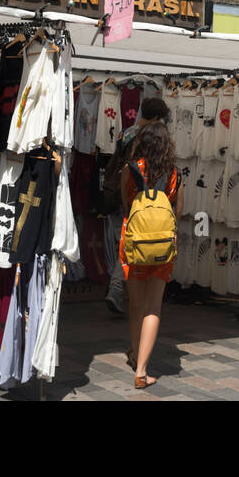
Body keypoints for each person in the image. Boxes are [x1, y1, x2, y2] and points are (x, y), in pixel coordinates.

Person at [118, 119, 179, 389]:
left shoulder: (130, 170)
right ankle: (142, 369)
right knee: (153, 306)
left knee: (135, 303)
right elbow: (178, 208)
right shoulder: (173, 172)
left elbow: (125, 203)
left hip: (133, 242)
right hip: (163, 246)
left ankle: (134, 352)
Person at [101, 96, 171, 314]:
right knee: (134, 244)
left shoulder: (127, 131)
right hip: (142, 195)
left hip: (122, 190)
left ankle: (121, 289)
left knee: (123, 240)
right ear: (158, 117)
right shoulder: (149, 136)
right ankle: (119, 288)